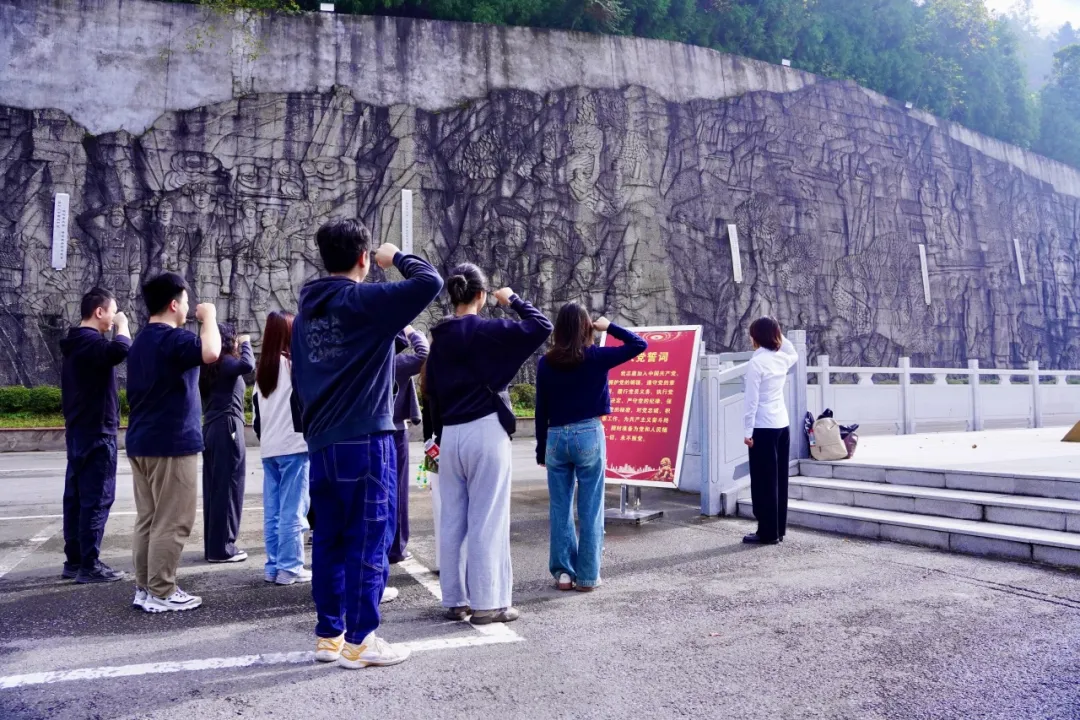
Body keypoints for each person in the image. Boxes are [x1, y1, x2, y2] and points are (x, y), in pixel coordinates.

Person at [291, 218, 442, 669]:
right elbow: (429, 281)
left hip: (322, 441)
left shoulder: (305, 314)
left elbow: (301, 380)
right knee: (370, 536)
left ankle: (329, 634)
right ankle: (361, 640)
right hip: (366, 436)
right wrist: (394, 255)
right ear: (362, 258)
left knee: (330, 539)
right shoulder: (364, 300)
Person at [425, 264, 552, 625]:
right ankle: (489, 603)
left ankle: (455, 599)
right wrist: (513, 299)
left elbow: (431, 390)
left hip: (449, 435)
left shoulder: (440, 337)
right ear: (480, 295)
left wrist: (434, 440)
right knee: (487, 519)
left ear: (453, 295)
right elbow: (542, 326)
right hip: (485, 430)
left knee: (453, 518)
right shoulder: (488, 331)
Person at [126, 272, 221, 612]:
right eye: (185, 300)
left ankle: (145, 588)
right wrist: (209, 316)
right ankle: (162, 591)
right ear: (174, 304)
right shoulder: (173, 339)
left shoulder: (140, 342)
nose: (188, 306)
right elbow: (211, 352)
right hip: (171, 442)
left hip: (142, 441)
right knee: (173, 520)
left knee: (149, 519)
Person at [535, 304, 647, 592]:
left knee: (560, 508)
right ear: (586, 328)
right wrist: (608, 327)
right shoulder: (596, 357)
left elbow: (540, 409)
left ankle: (563, 574)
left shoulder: (546, 363)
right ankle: (587, 576)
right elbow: (639, 344)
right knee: (591, 507)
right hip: (588, 434)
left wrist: (540, 449)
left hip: (556, 436)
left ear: (558, 329)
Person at [59, 288, 132, 584]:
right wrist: (124, 326)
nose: (114, 318)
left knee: (76, 497)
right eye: (112, 311)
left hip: (78, 429)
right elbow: (121, 350)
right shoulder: (90, 341)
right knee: (97, 497)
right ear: (99, 312)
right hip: (96, 431)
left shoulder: (75, 342)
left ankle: (74, 561)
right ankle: (89, 564)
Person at [252, 311, 311, 585]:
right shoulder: (293, 366)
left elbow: (256, 419)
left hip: (270, 449)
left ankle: (273, 565)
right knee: (293, 509)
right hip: (294, 446)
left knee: (273, 510)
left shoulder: (263, 370)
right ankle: (290, 567)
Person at [199, 324, 254, 564]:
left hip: (212, 427)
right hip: (228, 426)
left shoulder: (209, 366)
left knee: (215, 487)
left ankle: (214, 546)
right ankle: (223, 548)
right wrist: (246, 343)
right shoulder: (226, 362)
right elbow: (248, 365)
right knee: (230, 486)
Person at [742, 316, 798, 546]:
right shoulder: (782, 359)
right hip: (781, 425)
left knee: (764, 481)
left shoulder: (757, 363)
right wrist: (776, 332)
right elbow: (793, 350)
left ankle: (767, 532)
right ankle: (778, 529)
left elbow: (751, 402)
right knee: (779, 480)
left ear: (756, 337)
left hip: (762, 427)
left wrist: (747, 431)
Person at [389, 325, 429, 565]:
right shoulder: (395, 364)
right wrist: (413, 333)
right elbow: (423, 355)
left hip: (365, 430)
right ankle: (396, 547)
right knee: (398, 491)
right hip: (395, 432)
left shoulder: (365, 358)